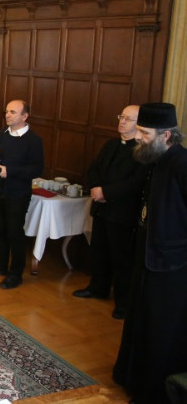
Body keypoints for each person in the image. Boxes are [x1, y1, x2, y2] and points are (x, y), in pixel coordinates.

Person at [113, 102, 187, 404]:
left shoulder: (182, 164)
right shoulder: (156, 160)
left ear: (166, 135)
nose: (139, 137)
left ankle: (153, 392)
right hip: (147, 257)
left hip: (172, 266)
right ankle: (132, 378)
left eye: (144, 132)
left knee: (160, 330)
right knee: (140, 320)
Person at [73, 105, 147, 319]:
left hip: (122, 212)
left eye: (128, 119)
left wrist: (106, 192)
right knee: (99, 251)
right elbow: (94, 169)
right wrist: (96, 188)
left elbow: (136, 182)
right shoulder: (111, 145)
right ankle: (98, 287)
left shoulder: (142, 151)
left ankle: (123, 303)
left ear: (139, 124)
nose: (122, 121)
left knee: (121, 257)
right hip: (101, 207)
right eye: (121, 117)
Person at [0, 100, 44, 289]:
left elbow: (37, 169)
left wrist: (10, 171)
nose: (7, 115)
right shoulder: (2, 134)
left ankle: (16, 273)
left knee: (14, 233)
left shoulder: (33, 140)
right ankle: (0, 264)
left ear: (25, 116)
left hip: (17, 193)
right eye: (7, 111)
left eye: (13, 112)